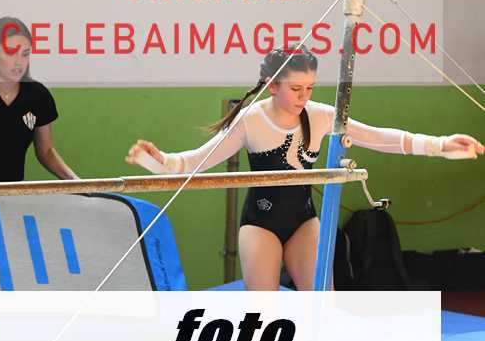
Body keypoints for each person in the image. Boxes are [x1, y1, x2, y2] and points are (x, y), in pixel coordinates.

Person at [126, 46, 483, 291]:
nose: (304, 96)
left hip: (304, 222)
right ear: (272, 86)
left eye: (310, 88)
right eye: (295, 88)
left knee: (322, 308)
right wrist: (159, 161)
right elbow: (194, 162)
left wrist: (439, 145)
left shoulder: (321, 116)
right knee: (262, 317)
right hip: (261, 225)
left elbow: (378, 137)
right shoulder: (251, 120)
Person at [0, 16, 78, 183]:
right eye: (10, 52)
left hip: (11, 194)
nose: (19, 62)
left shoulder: (38, 96)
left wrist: (75, 181)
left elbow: (46, 152)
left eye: (25, 54)